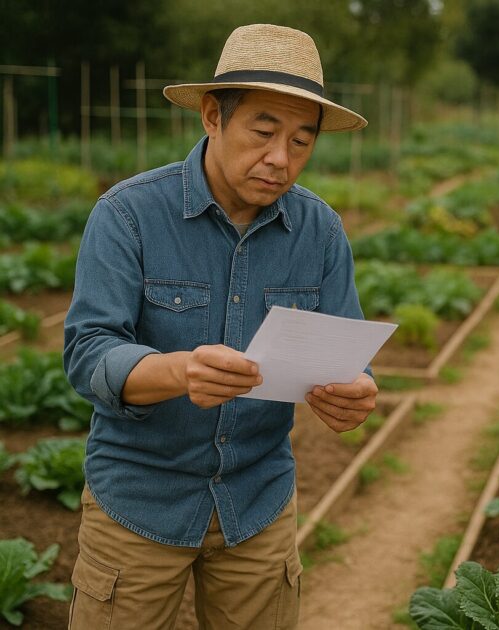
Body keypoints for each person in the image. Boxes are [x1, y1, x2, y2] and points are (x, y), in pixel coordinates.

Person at [63, 24, 378, 629]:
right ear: (212, 116)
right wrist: (177, 371)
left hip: (257, 505)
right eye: (263, 132)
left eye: (301, 141)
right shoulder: (128, 216)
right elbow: (87, 354)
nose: (280, 159)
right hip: (137, 502)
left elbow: (348, 355)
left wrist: (354, 392)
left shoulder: (320, 231)